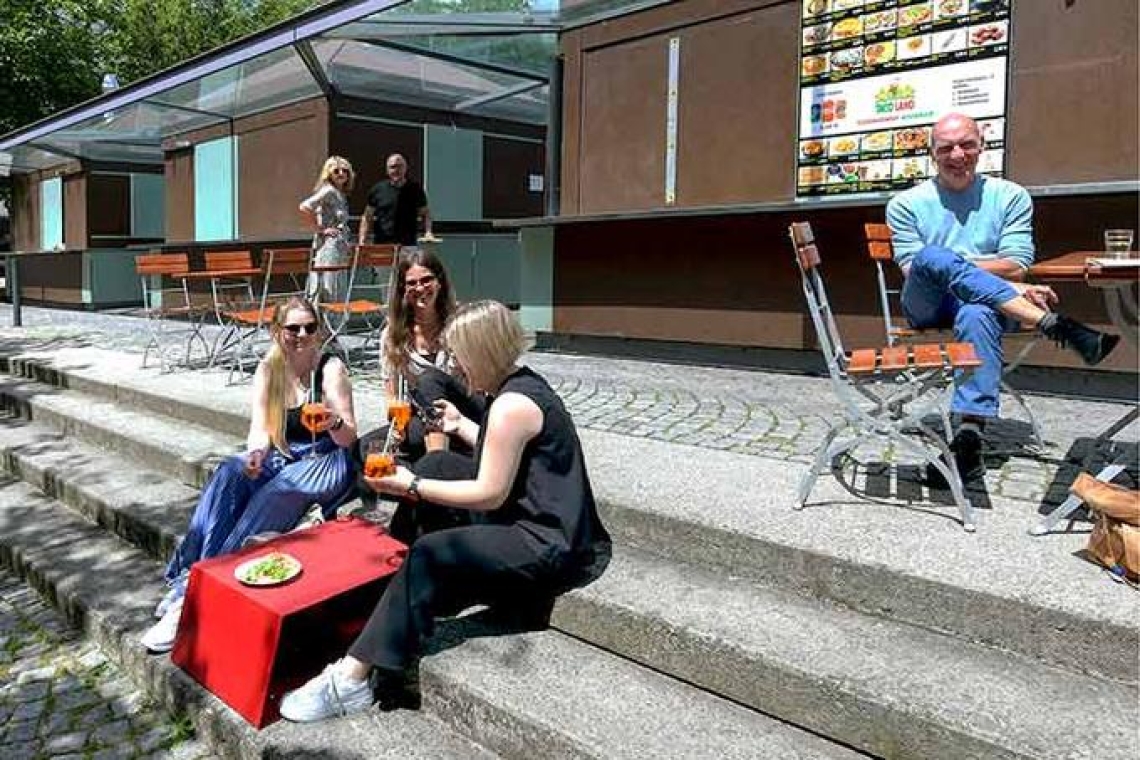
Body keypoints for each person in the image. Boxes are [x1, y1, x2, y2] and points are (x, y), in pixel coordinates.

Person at [279, 300, 612, 722]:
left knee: (430, 550)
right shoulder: (518, 387)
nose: (454, 366)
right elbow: (506, 451)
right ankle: (388, 590)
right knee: (438, 462)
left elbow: (490, 493)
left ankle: (351, 680)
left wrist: (411, 485)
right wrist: (459, 427)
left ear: (481, 350)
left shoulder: (512, 406)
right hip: (537, 512)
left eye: (458, 354)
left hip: (548, 541)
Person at [886, 112, 1120, 480]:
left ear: (983, 146)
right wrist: (1013, 289)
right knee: (931, 257)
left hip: (989, 306)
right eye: (946, 147)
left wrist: (1002, 280)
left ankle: (968, 439)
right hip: (929, 303)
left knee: (975, 313)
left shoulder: (1010, 196)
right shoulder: (905, 203)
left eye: (967, 144)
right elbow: (915, 271)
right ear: (932, 153)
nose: (957, 154)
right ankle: (1051, 324)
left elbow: (1017, 263)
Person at [141, 297, 359, 653]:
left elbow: (349, 437)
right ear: (277, 332)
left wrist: (333, 420)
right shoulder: (269, 369)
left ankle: (200, 598)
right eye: (293, 328)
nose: (302, 335)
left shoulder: (329, 368)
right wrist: (256, 454)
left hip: (328, 459)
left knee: (275, 492)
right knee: (231, 470)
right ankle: (191, 578)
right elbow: (260, 430)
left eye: (310, 327)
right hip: (284, 452)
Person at [378, 247, 485, 463]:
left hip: (466, 414)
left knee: (430, 380)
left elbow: (481, 383)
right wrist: (397, 422)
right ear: (402, 289)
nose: (420, 288)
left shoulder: (460, 323)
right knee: (366, 447)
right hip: (423, 417)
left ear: (440, 282)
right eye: (411, 283)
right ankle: (438, 459)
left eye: (427, 280)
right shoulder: (392, 335)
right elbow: (392, 396)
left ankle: (438, 465)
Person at [300, 156, 354, 300]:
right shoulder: (328, 191)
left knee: (339, 286)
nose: (341, 174)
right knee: (329, 287)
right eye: (336, 171)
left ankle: (336, 321)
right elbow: (305, 206)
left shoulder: (340, 193)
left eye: (345, 171)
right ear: (329, 174)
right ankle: (328, 320)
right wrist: (321, 229)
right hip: (329, 247)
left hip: (340, 245)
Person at [358, 154, 432, 247]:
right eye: (393, 167)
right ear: (387, 170)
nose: (396, 170)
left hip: (408, 244)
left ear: (405, 168)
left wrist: (428, 232)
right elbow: (367, 217)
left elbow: (425, 213)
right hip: (382, 244)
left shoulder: (415, 189)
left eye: (400, 166)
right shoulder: (377, 189)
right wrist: (362, 240)